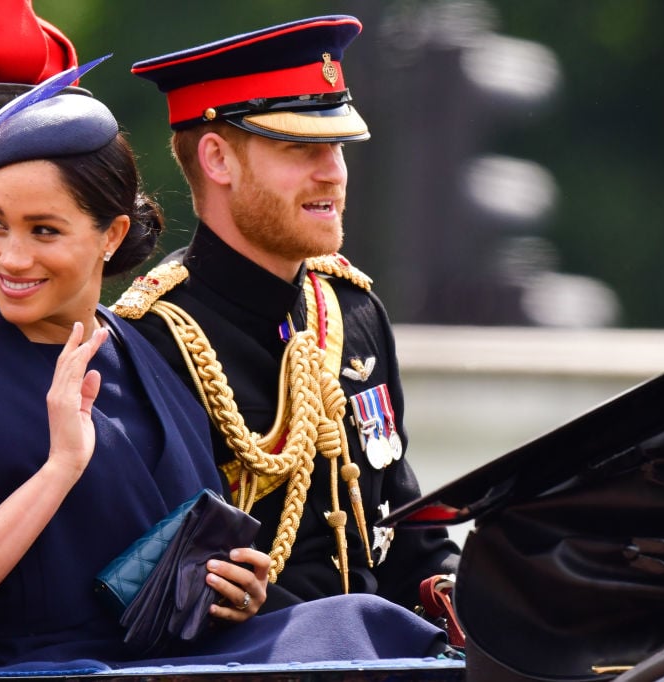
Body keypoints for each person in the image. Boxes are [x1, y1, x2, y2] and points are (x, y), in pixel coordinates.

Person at [0, 58, 448, 668]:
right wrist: (58, 471)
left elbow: (170, 578)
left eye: (43, 231)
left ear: (109, 236)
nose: (10, 257)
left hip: (166, 663)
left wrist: (233, 593)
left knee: (377, 632)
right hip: (33, 672)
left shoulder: (140, 358)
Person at [114, 15, 461, 614]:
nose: (332, 171)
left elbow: (406, 539)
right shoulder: (150, 339)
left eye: (336, 146)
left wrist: (466, 591)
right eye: (301, 148)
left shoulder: (354, 311)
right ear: (218, 158)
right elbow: (157, 588)